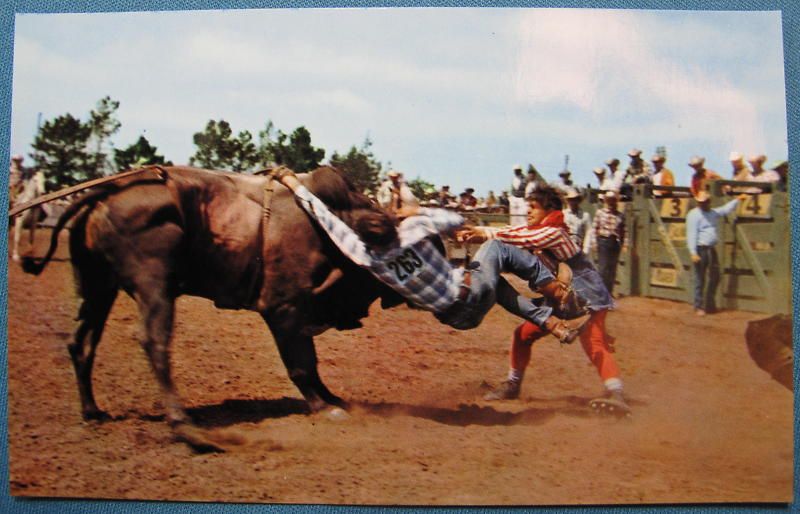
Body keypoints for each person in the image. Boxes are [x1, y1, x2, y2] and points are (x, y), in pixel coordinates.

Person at [274, 168, 589, 342]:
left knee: (497, 286)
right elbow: (456, 221)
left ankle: (553, 325)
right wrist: (416, 211)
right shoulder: (412, 230)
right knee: (496, 249)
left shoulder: (365, 256)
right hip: (470, 292)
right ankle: (554, 289)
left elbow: (327, 221)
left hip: (459, 319)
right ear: (390, 224)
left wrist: (293, 184)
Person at [461, 186, 628, 414]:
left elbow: (522, 235)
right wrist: (480, 230)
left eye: (533, 207)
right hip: (564, 297)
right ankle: (513, 384)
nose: (528, 212)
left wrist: (483, 233)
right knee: (522, 335)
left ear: (549, 209)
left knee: (594, 342)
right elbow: (519, 231)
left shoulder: (555, 233)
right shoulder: (547, 229)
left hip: (588, 296)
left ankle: (617, 393)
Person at [686, 191, 742, 316]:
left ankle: (709, 305)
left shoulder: (712, 213)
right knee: (700, 278)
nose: (702, 204)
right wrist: (693, 252)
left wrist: (737, 199)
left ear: (709, 202)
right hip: (700, 249)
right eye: (700, 202)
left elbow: (725, 209)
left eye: (704, 202)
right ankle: (698, 306)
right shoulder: (694, 215)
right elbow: (691, 234)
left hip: (711, 248)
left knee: (714, 277)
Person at [593, 191, 625, 296]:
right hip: (603, 241)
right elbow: (594, 228)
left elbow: (624, 230)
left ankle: (608, 293)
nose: (611, 203)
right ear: (606, 201)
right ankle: (600, 293)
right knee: (603, 268)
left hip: (614, 242)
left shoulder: (620, 215)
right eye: (610, 201)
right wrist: (594, 243)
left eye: (613, 201)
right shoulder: (600, 213)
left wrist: (625, 244)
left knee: (612, 269)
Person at [563, 190, 593, 254]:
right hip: (565, 248)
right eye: (570, 200)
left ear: (578, 201)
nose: (572, 202)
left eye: (574, 200)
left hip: (579, 248)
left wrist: (586, 249)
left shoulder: (585, 216)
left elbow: (589, 233)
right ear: (567, 201)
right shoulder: (563, 214)